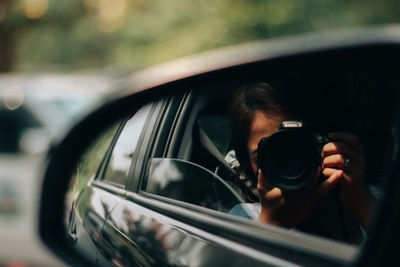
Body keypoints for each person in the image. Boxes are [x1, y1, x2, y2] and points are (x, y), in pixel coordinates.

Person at [230, 82, 377, 243]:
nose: (287, 163)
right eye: (264, 154)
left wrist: (360, 202)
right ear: (246, 161)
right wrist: (271, 224)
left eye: (295, 148)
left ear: (322, 143)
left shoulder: (367, 196)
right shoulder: (245, 218)